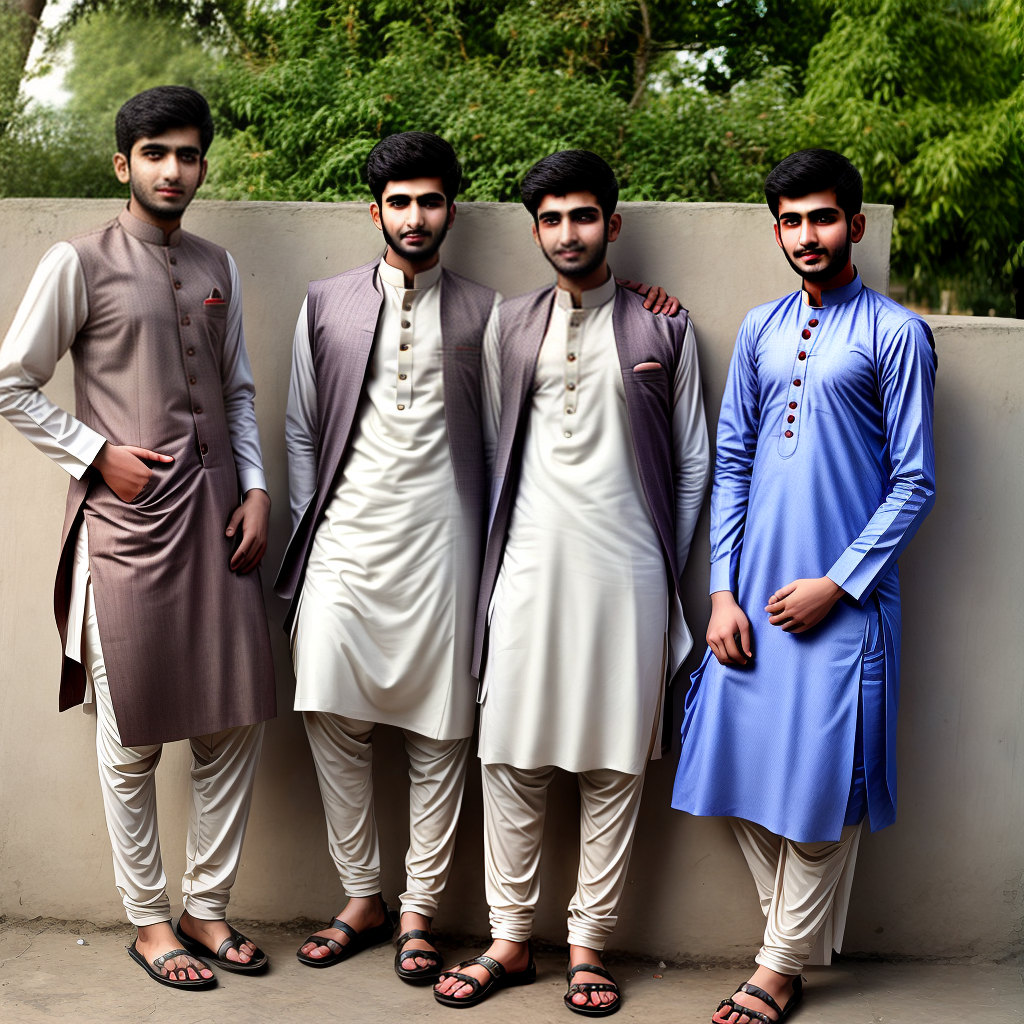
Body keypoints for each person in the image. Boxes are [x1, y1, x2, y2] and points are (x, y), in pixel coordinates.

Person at [276, 133, 677, 985]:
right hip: (348, 547)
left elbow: (513, 439)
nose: (415, 216)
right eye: (399, 201)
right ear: (373, 208)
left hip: (456, 552)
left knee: (446, 732)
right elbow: (300, 430)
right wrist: (310, 537)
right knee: (330, 714)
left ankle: (421, 912)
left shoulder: (490, 311)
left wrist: (643, 303)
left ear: (452, 208)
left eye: (430, 200)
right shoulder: (329, 303)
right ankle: (363, 896)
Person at [0, 86, 277, 989]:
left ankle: (206, 907)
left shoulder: (215, 263)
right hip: (129, 531)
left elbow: (236, 392)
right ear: (124, 164)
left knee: (233, 723)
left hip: (221, 526)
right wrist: (95, 453)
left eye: (188, 154)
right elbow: (11, 382)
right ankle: (150, 921)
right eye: (155, 152)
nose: (173, 169)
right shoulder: (77, 262)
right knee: (131, 740)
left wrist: (261, 489)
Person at [434, 149, 709, 1015]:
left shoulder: (666, 328)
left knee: (614, 765)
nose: (566, 233)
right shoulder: (511, 324)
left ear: (612, 225)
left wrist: (661, 557)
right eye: (550, 219)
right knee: (510, 756)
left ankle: (589, 946)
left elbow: (694, 460)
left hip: (628, 575)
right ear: (535, 231)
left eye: (582, 216)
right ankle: (510, 942)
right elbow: (488, 448)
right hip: (525, 570)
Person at [671, 148, 936, 1024]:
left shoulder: (895, 334)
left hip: (842, 609)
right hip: (750, 605)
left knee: (827, 791)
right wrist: (720, 593)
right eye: (790, 220)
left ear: (854, 224)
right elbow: (735, 461)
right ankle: (795, 943)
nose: (806, 235)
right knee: (728, 770)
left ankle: (776, 967)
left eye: (823, 218)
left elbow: (914, 482)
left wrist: (839, 584)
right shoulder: (759, 328)